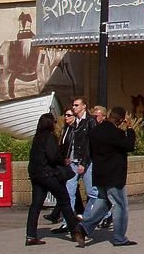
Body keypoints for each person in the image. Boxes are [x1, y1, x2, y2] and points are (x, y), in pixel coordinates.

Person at [75, 106, 137, 247]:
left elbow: (89, 151)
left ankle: (83, 227)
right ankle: (119, 238)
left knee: (104, 202)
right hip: (114, 175)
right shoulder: (117, 133)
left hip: (99, 173)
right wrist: (131, 130)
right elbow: (130, 145)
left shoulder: (95, 132)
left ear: (109, 115)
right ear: (121, 120)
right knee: (120, 205)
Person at [25, 113, 84, 246]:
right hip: (49, 175)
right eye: (54, 121)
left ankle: (30, 236)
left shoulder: (37, 138)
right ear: (50, 123)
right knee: (65, 201)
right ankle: (76, 232)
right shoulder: (49, 137)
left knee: (36, 205)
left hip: (36, 175)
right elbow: (53, 157)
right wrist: (63, 160)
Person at [54, 97, 96, 234]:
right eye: (73, 105)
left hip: (86, 162)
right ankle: (68, 223)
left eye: (77, 105)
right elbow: (70, 143)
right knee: (69, 192)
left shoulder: (90, 121)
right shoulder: (74, 123)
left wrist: (84, 162)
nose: (74, 107)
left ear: (84, 106)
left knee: (92, 192)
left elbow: (90, 145)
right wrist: (67, 157)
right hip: (73, 162)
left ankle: (96, 217)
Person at [44, 109, 83, 224]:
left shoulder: (75, 130)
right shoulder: (66, 129)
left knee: (75, 190)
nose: (66, 117)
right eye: (65, 115)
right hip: (66, 163)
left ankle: (65, 219)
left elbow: (76, 147)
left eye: (69, 115)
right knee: (70, 190)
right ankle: (70, 217)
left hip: (74, 163)